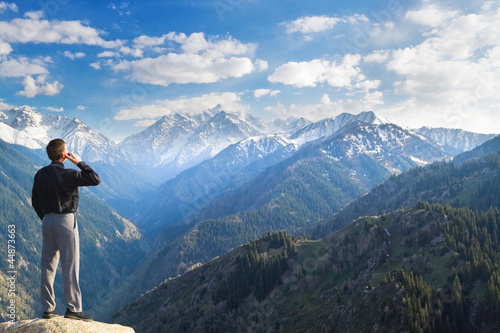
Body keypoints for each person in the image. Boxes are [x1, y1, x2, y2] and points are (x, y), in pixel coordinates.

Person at [31, 138, 101, 321]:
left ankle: (48, 309)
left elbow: (35, 200)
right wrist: (78, 162)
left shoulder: (40, 174)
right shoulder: (68, 174)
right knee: (70, 265)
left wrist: (45, 216)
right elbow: (95, 179)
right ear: (64, 154)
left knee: (47, 266)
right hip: (65, 221)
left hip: (47, 221)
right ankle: (74, 309)